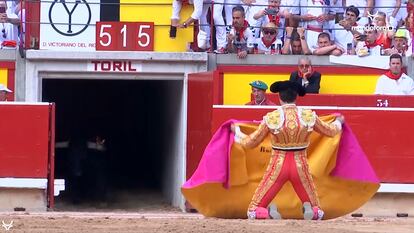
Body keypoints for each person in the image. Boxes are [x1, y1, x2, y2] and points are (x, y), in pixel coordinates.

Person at [232, 80, 344, 220]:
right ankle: (311, 209)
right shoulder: (307, 116)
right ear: (296, 97)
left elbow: (250, 142)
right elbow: (331, 131)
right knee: (318, 211)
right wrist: (339, 121)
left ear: (279, 98)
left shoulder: (272, 117)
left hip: (278, 166)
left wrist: (236, 132)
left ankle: (266, 213)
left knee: (253, 211)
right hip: (300, 166)